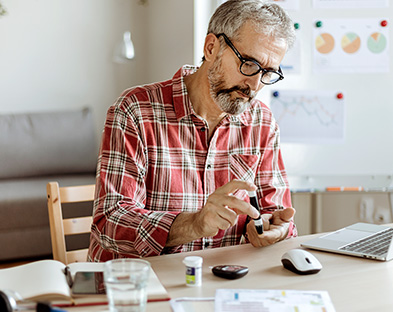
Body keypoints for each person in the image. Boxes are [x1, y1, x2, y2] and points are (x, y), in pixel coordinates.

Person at [89, 0, 297, 262]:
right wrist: (194, 224)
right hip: (141, 286)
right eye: (249, 64)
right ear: (211, 48)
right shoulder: (136, 111)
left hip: (222, 285)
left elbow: (276, 210)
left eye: (268, 73)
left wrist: (272, 228)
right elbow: (110, 222)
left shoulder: (261, 122)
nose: (254, 85)